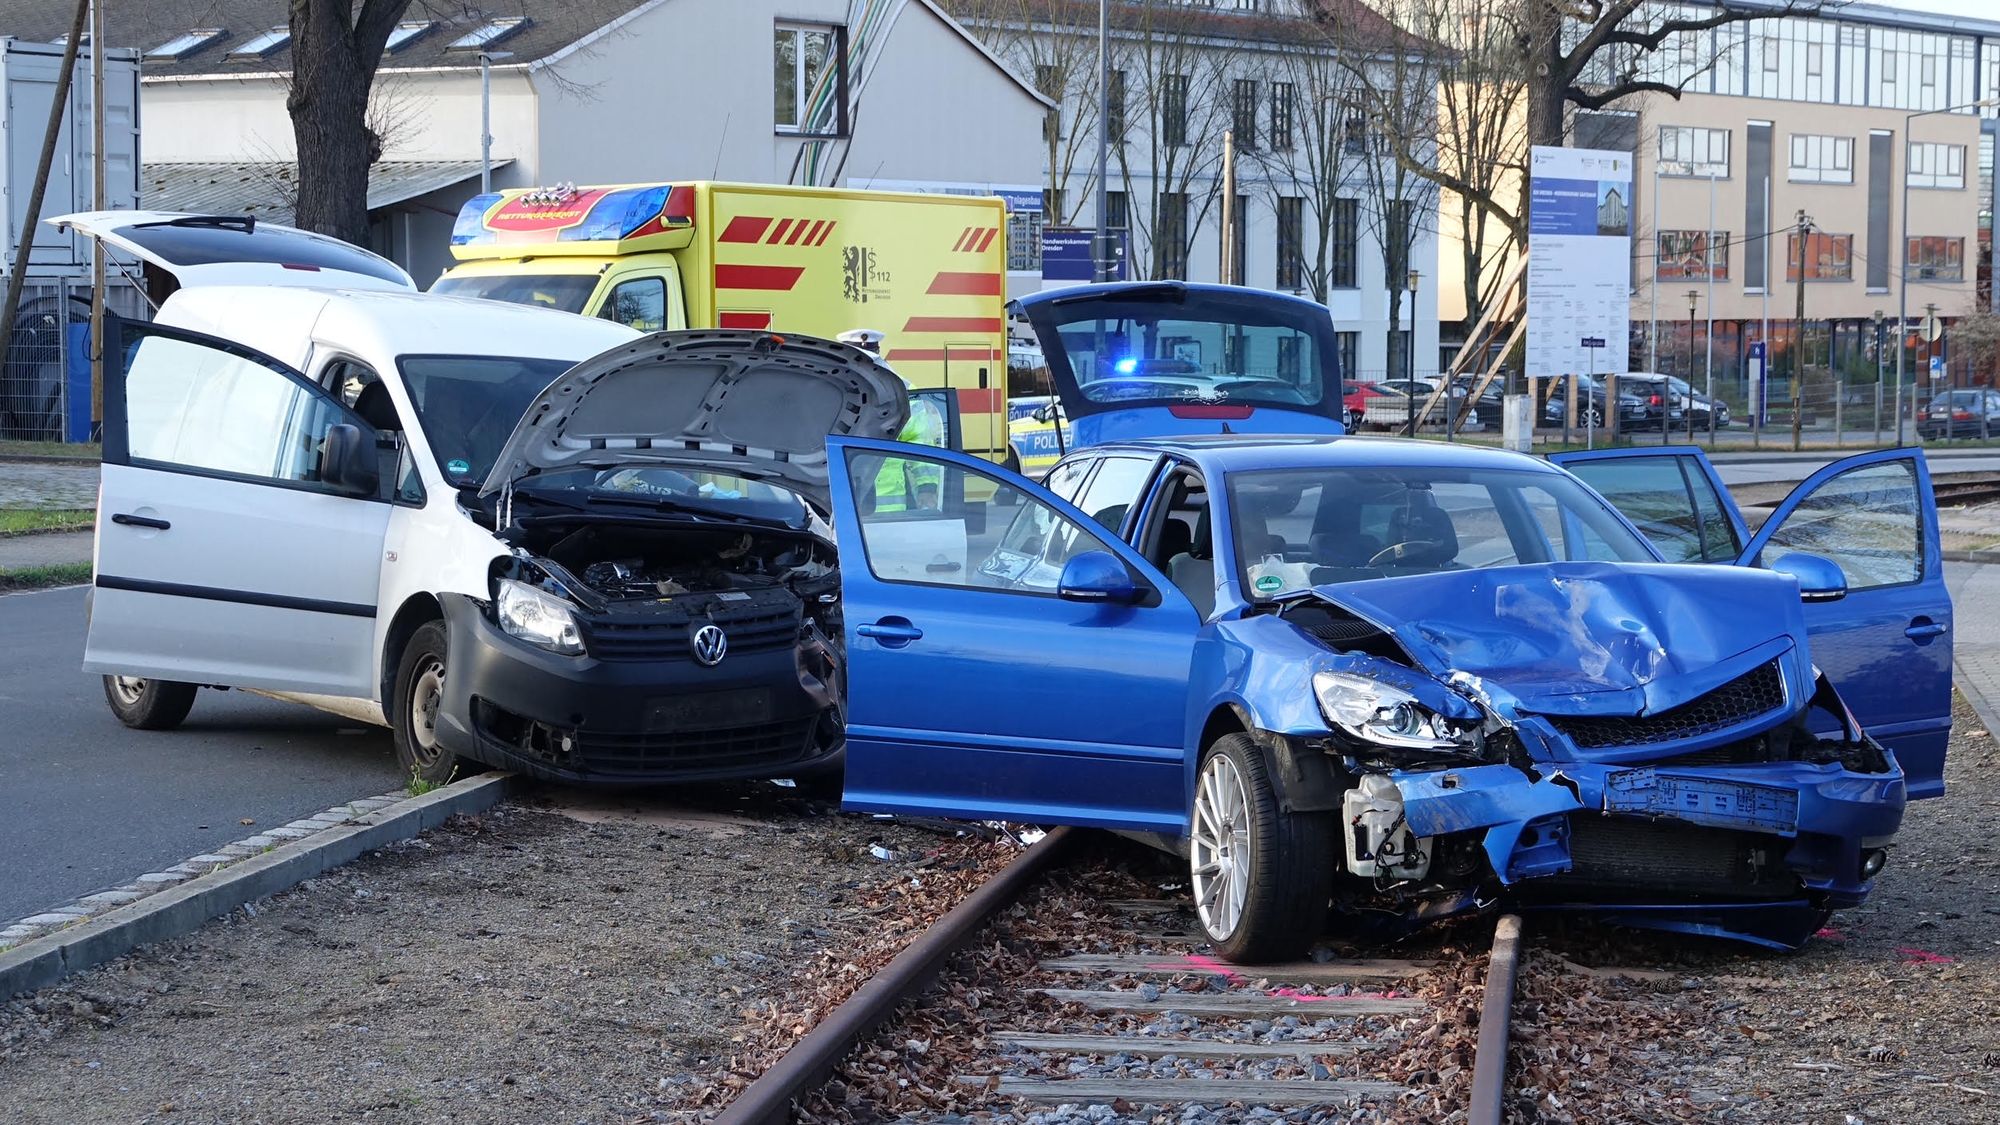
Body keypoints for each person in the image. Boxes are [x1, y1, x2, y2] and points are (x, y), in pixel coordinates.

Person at [838, 328, 945, 511]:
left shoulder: (903, 390)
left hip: (889, 511)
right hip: (842, 505)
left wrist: (927, 488)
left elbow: (920, 440)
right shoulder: (832, 390)